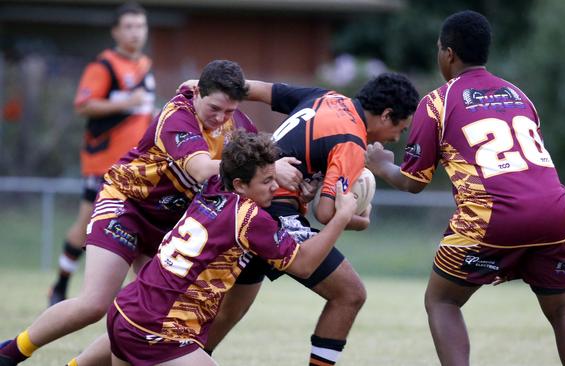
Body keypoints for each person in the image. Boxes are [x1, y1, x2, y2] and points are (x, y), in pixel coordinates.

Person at [0, 60, 302, 366]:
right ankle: (11, 353)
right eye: (215, 108)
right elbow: (199, 169)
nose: (222, 118)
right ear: (196, 92)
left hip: (169, 224)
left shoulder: (233, 122)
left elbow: (266, 155)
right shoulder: (177, 116)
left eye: (229, 111)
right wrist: (267, 168)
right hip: (128, 206)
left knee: (145, 313)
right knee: (95, 303)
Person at [365, 10, 565, 366]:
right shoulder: (519, 95)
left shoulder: (438, 102)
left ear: (449, 54)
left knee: (442, 301)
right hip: (556, 212)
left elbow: (413, 183)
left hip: (494, 215)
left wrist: (380, 165)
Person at [202, 73, 419, 366]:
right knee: (350, 294)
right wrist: (360, 218)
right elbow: (327, 213)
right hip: (271, 210)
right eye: (399, 129)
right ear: (386, 115)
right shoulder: (352, 139)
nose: (395, 138)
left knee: (230, 309)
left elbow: (258, 88)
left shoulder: (326, 97)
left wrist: (206, 87)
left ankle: (186, 358)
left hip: (237, 201)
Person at [107, 130, 357, 366]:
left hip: (125, 311)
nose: (275, 187)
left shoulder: (213, 185)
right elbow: (304, 265)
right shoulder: (248, 218)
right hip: (159, 330)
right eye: (267, 180)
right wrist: (341, 216)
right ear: (239, 184)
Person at [48, 1, 155, 306]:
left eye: (140, 26)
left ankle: (141, 298)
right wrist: (127, 103)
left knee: (144, 227)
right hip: (103, 163)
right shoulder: (104, 65)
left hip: (137, 166)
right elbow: (83, 105)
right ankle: (60, 284)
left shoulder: (144, 65)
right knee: (85, 225)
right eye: (129, 27)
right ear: (116, 32)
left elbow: (141, 112)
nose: (136, 33)